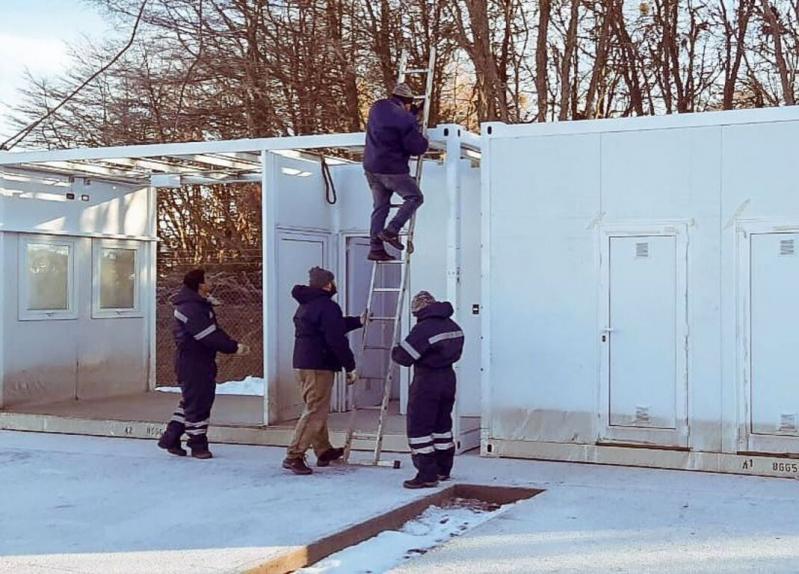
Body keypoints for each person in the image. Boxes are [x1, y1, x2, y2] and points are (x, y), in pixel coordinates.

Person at [158, 269, 249, 459]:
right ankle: (198, 444)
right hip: (193, 361)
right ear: (199, 284)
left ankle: (171, 437)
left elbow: (213, 330)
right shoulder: (192, 308)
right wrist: (233, 347)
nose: (211, 281)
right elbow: (206, 335)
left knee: (192, 400)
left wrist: (231, 344)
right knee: (199, 403)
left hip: (196, 360)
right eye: (208, 279)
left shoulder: (196, 305)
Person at [283, 267, 364, 475]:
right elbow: (335, 338)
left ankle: (323, 450)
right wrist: (350, 365)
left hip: (303, 363)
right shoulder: (327, 306)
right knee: (315, 410)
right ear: (327, 284)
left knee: (316, 407)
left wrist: (357, 321)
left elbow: (332, 326)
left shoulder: (307, 304)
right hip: (319, 365)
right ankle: (294, 455)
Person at [391, 291, 464, 489]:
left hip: (427, 381)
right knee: (442, 425)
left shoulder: (423, 329)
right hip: (448, 378)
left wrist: (395, 350)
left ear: (419, 310)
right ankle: (443, 468)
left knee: (419, 428)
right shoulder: (453, 325)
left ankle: (427, 474)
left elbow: (404, 357)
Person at [362, 82, 429, 262]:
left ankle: (375, 248)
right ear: (407, 104)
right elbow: (417, 147)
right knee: (414, 197)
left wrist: (410, 117)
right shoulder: (406, 120)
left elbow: (391, 123)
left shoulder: (376, 108)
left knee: (380, 206)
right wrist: (420, 133)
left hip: (371, 167)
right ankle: (392, 230)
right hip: (392, 169)